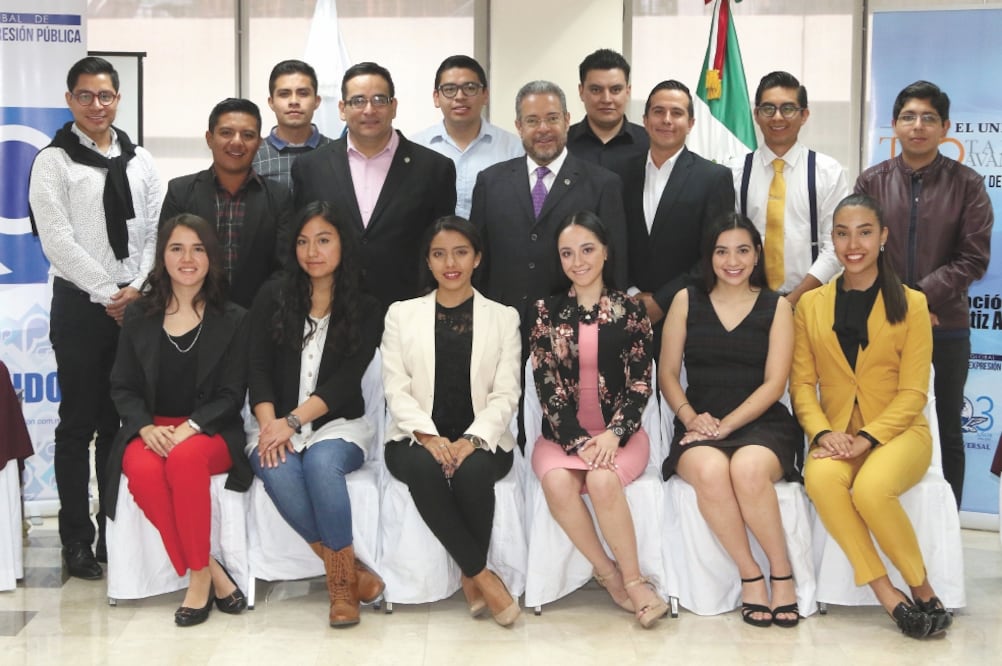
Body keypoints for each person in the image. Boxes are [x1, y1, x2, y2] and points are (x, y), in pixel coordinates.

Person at [791, 193, 952, 639]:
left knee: (873, 488)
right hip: (836, 433)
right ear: (833, 240)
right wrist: (823, 433)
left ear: (882, 236)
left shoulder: (913, 303)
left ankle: (923, 589)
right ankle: (889, 595)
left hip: (899, 433)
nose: (852, 244)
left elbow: (914, 392)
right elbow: (802, 385)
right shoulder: (811, 305)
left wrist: (869, 437)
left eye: (864, 231)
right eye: (842, 233)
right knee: (821, 480)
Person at [29, 55, 163, 579]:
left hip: (137, 307)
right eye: (85, 96)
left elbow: (157, 226)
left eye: (105, 95)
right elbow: (57, 240)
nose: (96, 105)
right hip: (83, 309)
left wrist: (138, 289)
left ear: (118, 98)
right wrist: (111, 291)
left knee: (120, 425)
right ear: (69, 100)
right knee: (78, 425)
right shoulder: (52, 161)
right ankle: (76, 540)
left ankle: (113, 531)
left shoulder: (141, 160)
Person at [659, 212, 803, 628]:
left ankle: (781, 572)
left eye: (742, 250)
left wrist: (728, 425)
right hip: (699, 421)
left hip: (760, 421)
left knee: (748, 469)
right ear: (709, 257)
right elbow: (668, 373)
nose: (732, 260)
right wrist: (690, 417)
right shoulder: (687, 299)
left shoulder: (777, 306)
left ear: (757, 255)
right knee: (709, 469)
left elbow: (775, 384)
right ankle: (750, 574)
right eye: (721, 251)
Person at [106, 214, 250, 626]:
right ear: (162, 257)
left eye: (198, 248)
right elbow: (123, 386)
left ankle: (197, 584)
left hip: (211, 430)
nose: (187, 258)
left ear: (212, 257)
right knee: (143, 471)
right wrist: (146, 428)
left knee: (185, 461)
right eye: (176, 248)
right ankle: (207, 569)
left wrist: (191, 427)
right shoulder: (139, 316)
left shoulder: (235, 318)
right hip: (152, 429)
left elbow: (230, 394)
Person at [855, 80, 993, 508]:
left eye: (929, 118)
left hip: (945, 327)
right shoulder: (871, 181)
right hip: (880, 324)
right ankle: (882, 513)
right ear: (894, 124)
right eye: (909, 117)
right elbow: (857, 253)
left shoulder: (967, 184)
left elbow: (973, 259)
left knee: (947, 428)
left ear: (946, 127)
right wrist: (901, 307)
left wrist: (917, 302)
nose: (918, 126)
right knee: (877, 422)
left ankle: (946, 526)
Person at [247, 201, 385, 628]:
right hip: (273, 421)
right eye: (304, 242)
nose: (313, 251)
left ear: (343, 243)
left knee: (322, 466)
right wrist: (272, 425)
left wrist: (292, 422)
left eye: (324, 240)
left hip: (338, 424)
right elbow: (258, 367)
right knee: (278, 466)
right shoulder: (273, 294)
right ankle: (347, 574)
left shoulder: (365, 305)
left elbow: (345, 382)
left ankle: (340, 592)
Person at [528, 211, 667, 629]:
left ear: (606, 252)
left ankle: (636, 581)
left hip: (621, 435)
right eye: (567, 253)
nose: (578, 261)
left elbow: (641, 384)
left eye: (587, 249)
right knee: (556, 482)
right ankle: (608, 575)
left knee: (604, 479)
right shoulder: (545, 312)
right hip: (561, 437)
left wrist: (613, 435)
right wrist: (577, 442)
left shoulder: (631, 311)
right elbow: (546, 385)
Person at [381, 217, 522, 626]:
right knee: (425, 470)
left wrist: (471, 440)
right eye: (439, 254)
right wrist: (428, 436)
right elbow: (396, 389)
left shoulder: (503, 317)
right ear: (428, 261)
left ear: (477, 258)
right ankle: (482, 576)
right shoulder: (401, 315)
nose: (450, 263)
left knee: (471, 472)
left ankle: (468, 574)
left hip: (484, 438)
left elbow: (505, 393)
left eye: (461, 252)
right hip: (413, 437)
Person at [292, 61, 457, 310]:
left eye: (379, 100)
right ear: (342, 109)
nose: (369, 110)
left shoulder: (434, 169)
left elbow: (442, 245)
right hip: (332, 309)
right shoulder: (311, 168)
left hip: (409, 309)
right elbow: (301, 242)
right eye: (358, 101)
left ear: (394, 107)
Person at [470, 80, 627, 339]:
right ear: (519, 127)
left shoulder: (603, 184)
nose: (543, 129)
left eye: (552, 118)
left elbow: (615, 267)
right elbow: (479, 263)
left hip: (576, 330)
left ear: (567, 120)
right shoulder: (490, 182)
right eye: (532, 121)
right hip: (501, 330)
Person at [616, 80, 734, 334]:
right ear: (645, 120)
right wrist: (632, 294)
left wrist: (661, 301)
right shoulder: (619, 175)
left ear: (691, 123)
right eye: (658, 112)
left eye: (677, 113)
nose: (666, 120)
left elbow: (715, 253)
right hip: (625, 312)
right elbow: (612, 242)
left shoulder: (713, 178)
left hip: (688, 315)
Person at [160, 98, 293, 309]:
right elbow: (166, 259)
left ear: (259, 143)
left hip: (258, 320)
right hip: (193, 316)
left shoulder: (279, 197)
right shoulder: (181, 192)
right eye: (226, 133)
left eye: (248, 135)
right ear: (209, 138)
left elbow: (284, 268)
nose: (237, 142)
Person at [731, 71, 847, 306]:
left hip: (812, 302)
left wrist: (792, 301)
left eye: (788, 108)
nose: (777, 117)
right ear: (756, 114)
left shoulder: (828, 172)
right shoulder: (734, 172)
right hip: (747, 302)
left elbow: (835, 246)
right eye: (768, 109)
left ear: (804, 115)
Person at [412, 55, 523, 219]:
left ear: (485, 94)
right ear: (436, 97)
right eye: (449, 89)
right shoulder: (416, 148)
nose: (460, 96)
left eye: (470, 88)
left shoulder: (514, 148)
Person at [253, 59, 334, 191]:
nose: (294, 101)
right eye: (284, 94)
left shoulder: (338, 153)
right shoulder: (253, 155)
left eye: (303, 93)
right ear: (271, 102)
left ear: (317, 101)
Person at [567, 48, 648, 167]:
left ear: (627, 92)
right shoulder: (561, 144)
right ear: (581, 91)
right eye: (596, 90)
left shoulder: (650, 144)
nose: (606, 99)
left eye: (615, 90)